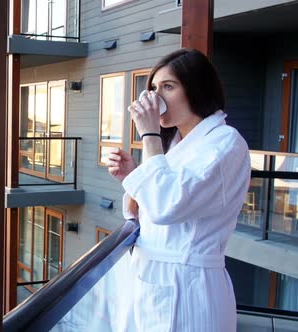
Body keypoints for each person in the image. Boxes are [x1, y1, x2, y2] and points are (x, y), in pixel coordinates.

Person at [107, 48, 250, 331]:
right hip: (155, 280)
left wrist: (149, 135)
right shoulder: (177, 145)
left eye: (168, 87)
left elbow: (166, 206)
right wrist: (133, 176)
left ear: (196, 88)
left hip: (188, 286)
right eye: (153, 88)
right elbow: (148, 208)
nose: (155, 98)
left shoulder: (224, 143)